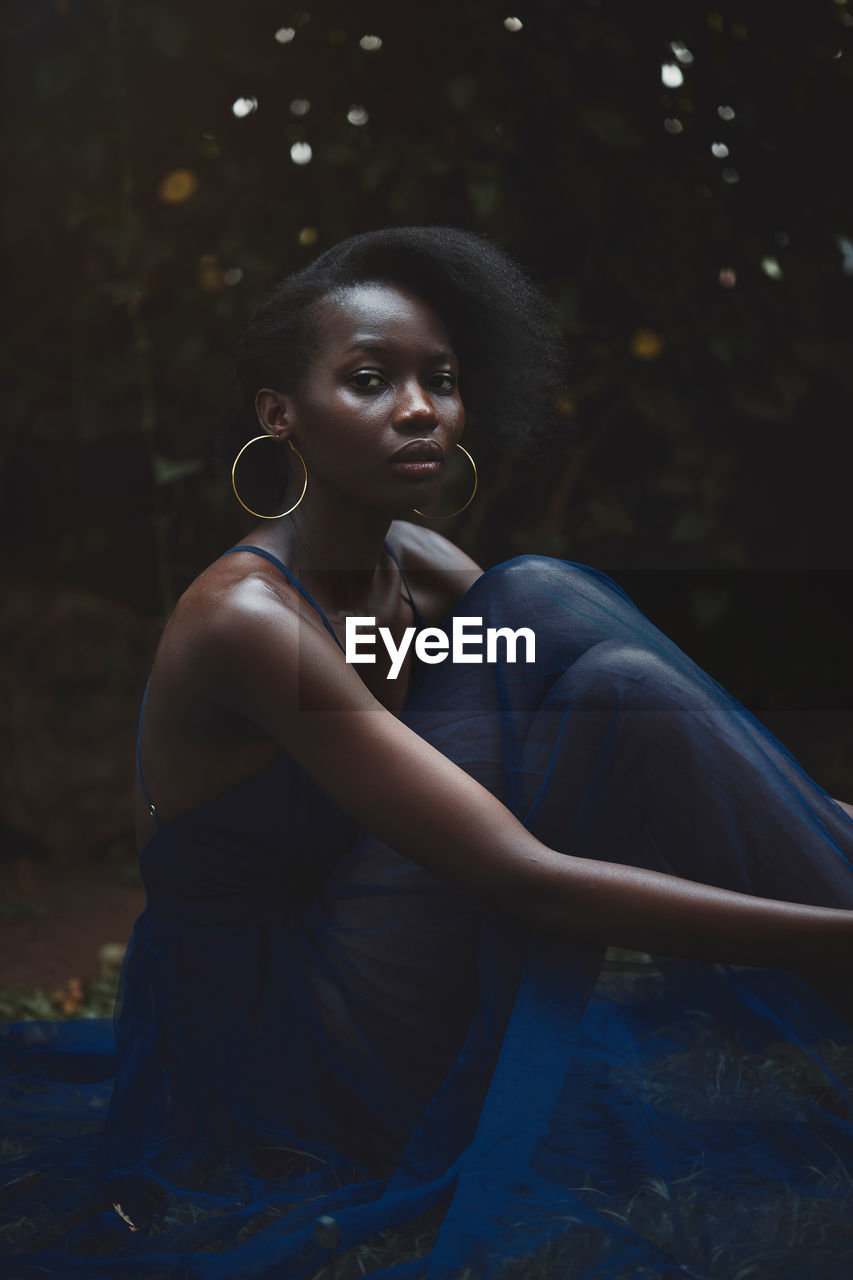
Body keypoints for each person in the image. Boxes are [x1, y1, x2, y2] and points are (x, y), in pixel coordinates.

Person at [2, 227, 853, 1279]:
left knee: (592, 663)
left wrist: (820, 815)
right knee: (547, 612)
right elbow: (520, 877)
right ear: (280, 410)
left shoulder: (418, 566)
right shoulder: (249, 621)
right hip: (283, 1052)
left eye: (439, 381)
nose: (418, 408)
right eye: (368, 379)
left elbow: (607, 704)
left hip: (380, 956)